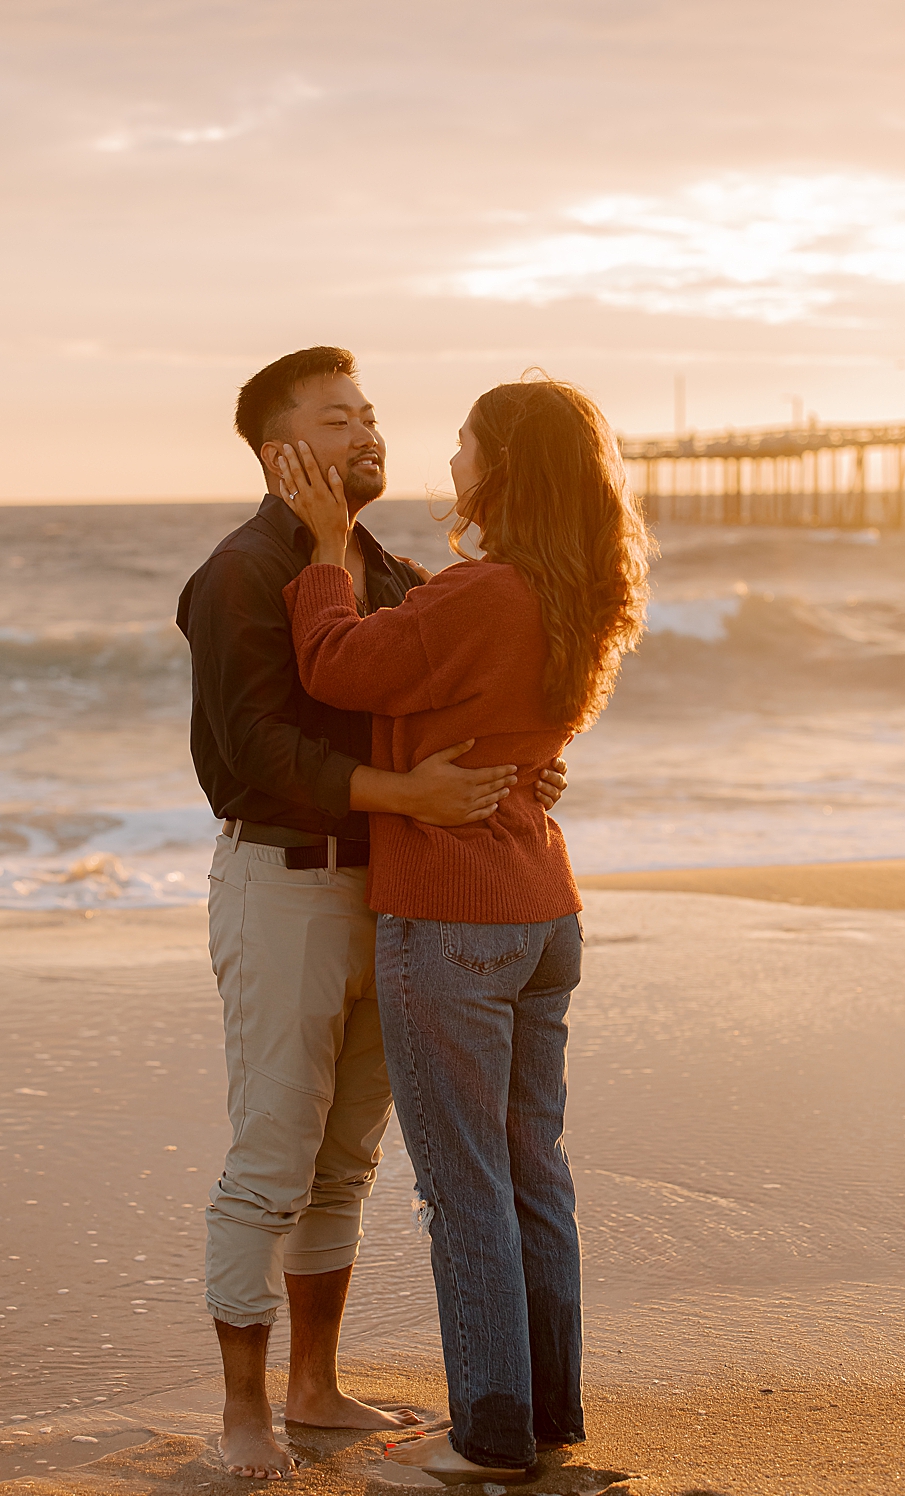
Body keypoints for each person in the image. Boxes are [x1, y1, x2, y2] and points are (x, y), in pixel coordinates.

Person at [178, 346, 569, 1480]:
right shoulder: (240, 572)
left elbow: (447, 694)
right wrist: (406, 791)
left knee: (344, 1161)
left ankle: (314, 1383)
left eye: (372, 412)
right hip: (283, 884)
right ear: (278, 449)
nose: (368, 433)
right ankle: (246, 1406)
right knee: (270, 1157)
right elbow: (250, 750)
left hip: (400, 895)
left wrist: (521, 771)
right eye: (338, 417)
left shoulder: (388, 568)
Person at [273, 373, 651, 1481]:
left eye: (464, 444)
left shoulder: (483, 594)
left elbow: (335, 664)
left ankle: (489, 1433)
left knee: (466, 1183)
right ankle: (544, 1411)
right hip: (542, 911)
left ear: (505, 468)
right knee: (534, 1171)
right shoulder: (578, 590)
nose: (447, 462)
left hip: (452, 912)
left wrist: (323, 548)